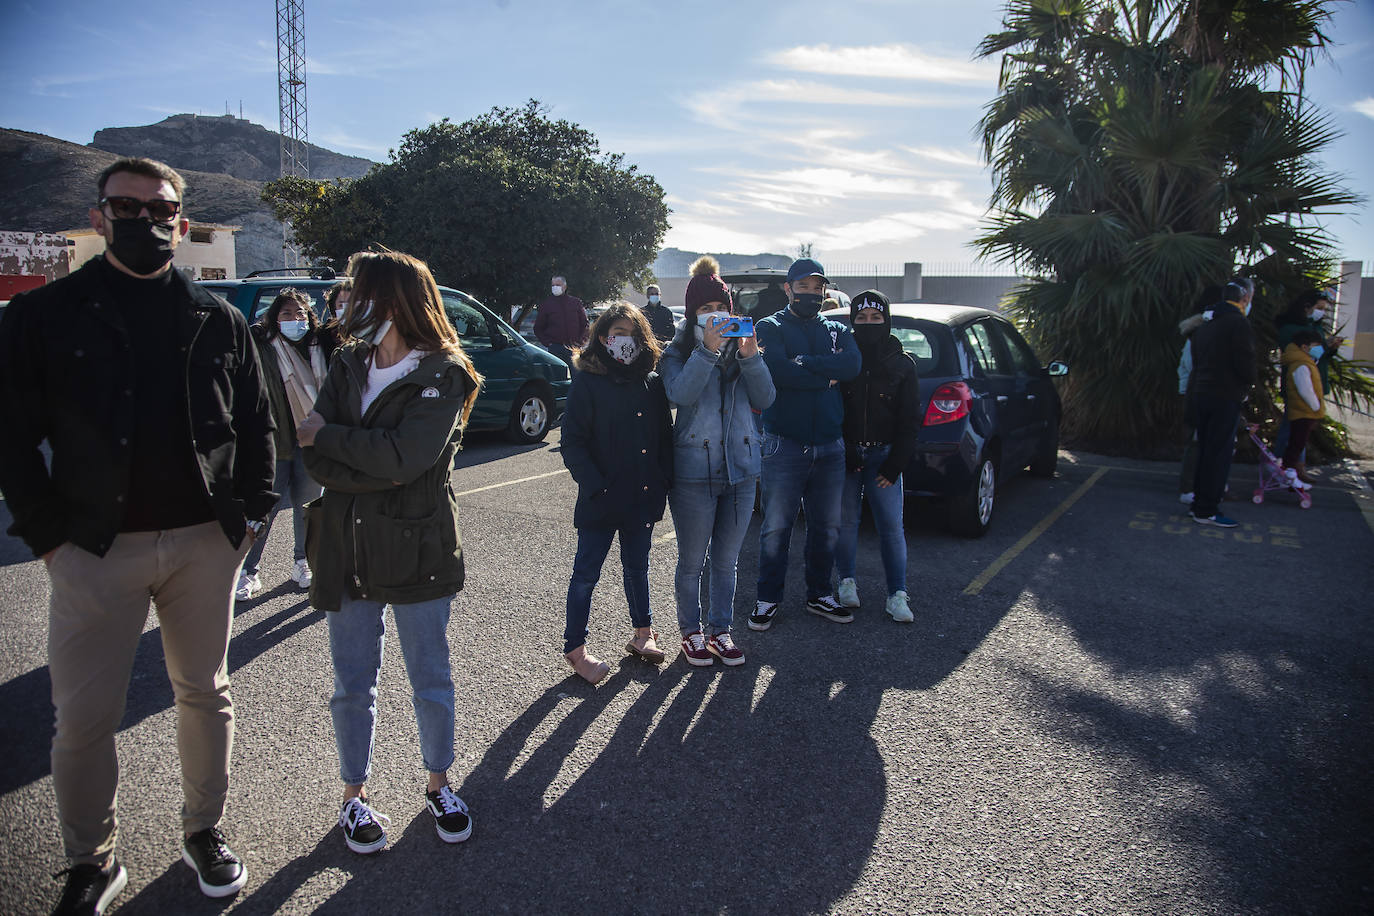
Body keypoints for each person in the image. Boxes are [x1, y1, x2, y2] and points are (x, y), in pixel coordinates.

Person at [0, 157, 276, 913]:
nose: (147, 221)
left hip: (202, 544)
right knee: (84, 717)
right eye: (128, 206)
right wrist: (48, 538)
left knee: (205, 694)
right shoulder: (42, 316)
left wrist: (249, 520)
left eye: (162, 211)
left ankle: (204, 832)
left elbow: (256, 425)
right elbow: (11, 439)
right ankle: (91, 861)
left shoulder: (218, 318)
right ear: (98, 216)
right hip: (92, 549)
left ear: (183, 224)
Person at [298, 250, 482, 855]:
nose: (347, 304)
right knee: (352, 682)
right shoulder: (349, 361)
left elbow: (407, 459)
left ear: (394, 300)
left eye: (359, 293)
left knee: (430, 677)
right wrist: (357, 452)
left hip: (417, 548)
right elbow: (315, 455)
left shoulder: (444, 373)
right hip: (345, 549)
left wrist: (333, 441)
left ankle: (439, 784)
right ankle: (354, 797)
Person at [659, 257, 775, 666]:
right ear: (693, 315)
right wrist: (707, 351)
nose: (714, 316)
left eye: (719, 308)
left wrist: (751, 355)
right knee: (692, 561)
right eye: (705, 310)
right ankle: (691, 631)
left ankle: (720, 630)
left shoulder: (744, 350)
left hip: (742, 471)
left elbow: (766, 399)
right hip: (693, 473)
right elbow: (680, 395)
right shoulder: (676, 354)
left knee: (727, 561)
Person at [559, 302, 673, 683]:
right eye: (616, 333)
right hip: (601, 500)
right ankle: (576, 648)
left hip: (642, 497)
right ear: (602, 339)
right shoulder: (588, 381)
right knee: (586, 573)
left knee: (638, 567)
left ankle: (644, 634)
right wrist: (596, 485)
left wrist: (662, 484)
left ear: (642, 339)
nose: (623, 341)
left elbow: (663, 441)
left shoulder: (651, 382)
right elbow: (572, 442)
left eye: (630, 333)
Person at [750, 257, 862, 631]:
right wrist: (823, 375)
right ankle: (768, 598)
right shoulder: (770, 326)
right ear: (788, 288)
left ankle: (819, 594)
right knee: (776, 527)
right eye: (804, 287)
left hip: (830, 445)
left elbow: (851, 366)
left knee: (827, 526)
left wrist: (808, 363)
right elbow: (777, 371)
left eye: (818, 288)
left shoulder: (835, 328)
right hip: (784, 444)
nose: (812, 294)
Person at [237, 288, 335, 599]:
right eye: (287, 314)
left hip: (310, 441)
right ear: (274, 318)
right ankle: (247, 570)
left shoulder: (318, 345)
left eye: (301, 313)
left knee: (308, 508)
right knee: (263, 509)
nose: (295, 319)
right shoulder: (264, 344)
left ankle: (302, 562)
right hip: (273, 440)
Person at [833, 290, 919, 623]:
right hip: (848, 457)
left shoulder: (902, 364)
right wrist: (847, 447)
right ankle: (846, 583)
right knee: (846, 524)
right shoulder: (844, 358)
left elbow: (910, 419)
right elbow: (835, 407)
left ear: (886, 320)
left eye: (875, 318)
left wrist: (897, 463)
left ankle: (897, 594)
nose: (868, 324)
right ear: (853, 320)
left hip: (885, 459)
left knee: (891, 528)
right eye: (862, 318)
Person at [1188, 277, 1257, 528]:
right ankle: (1207, 509)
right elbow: (1246, 364)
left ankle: (1198, 504)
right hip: (1225, 396)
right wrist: (1248, 386)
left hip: (1201, 394)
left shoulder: (1206, 325)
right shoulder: (1238, 324)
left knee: (1205, 451)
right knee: (1218, 455)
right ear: (1245, 298)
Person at [1273, 288, 1342, 477]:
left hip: (1314, 383)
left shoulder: (1313, 326)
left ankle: (1291, 464)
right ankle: (1288, 465)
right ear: (1306, 307)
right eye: (1319, 308)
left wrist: (1329, 348)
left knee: (1299, 430)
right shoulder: (1294, 331)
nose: (1322, 312)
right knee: (1294, 428)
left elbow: (1318, 354)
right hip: (1301, 387)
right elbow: (1307, 352)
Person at [1278, 328, 1325, 485]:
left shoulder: (1306, 362)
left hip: (1303, 411)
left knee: (1297, 443)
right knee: (1296, 444)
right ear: (1304, 347)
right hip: (1303, 412)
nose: (1319, 348)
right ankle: (1288, 474)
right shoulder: (1301, 365)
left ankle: (1288, 473)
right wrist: (1316, 407)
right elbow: (1305, 390)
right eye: (1316, 345)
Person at [533, 274, 589, 375]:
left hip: (574, 348)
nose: (555, 287)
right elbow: (538, 328)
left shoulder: (575, 302)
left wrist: (581, 342)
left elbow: (585, 324)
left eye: (558, 285)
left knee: (577, 377)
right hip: (555, 348)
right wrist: (548, 343)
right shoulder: (547, 304)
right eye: (553, 285)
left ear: (565, 286)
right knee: (558, 377)